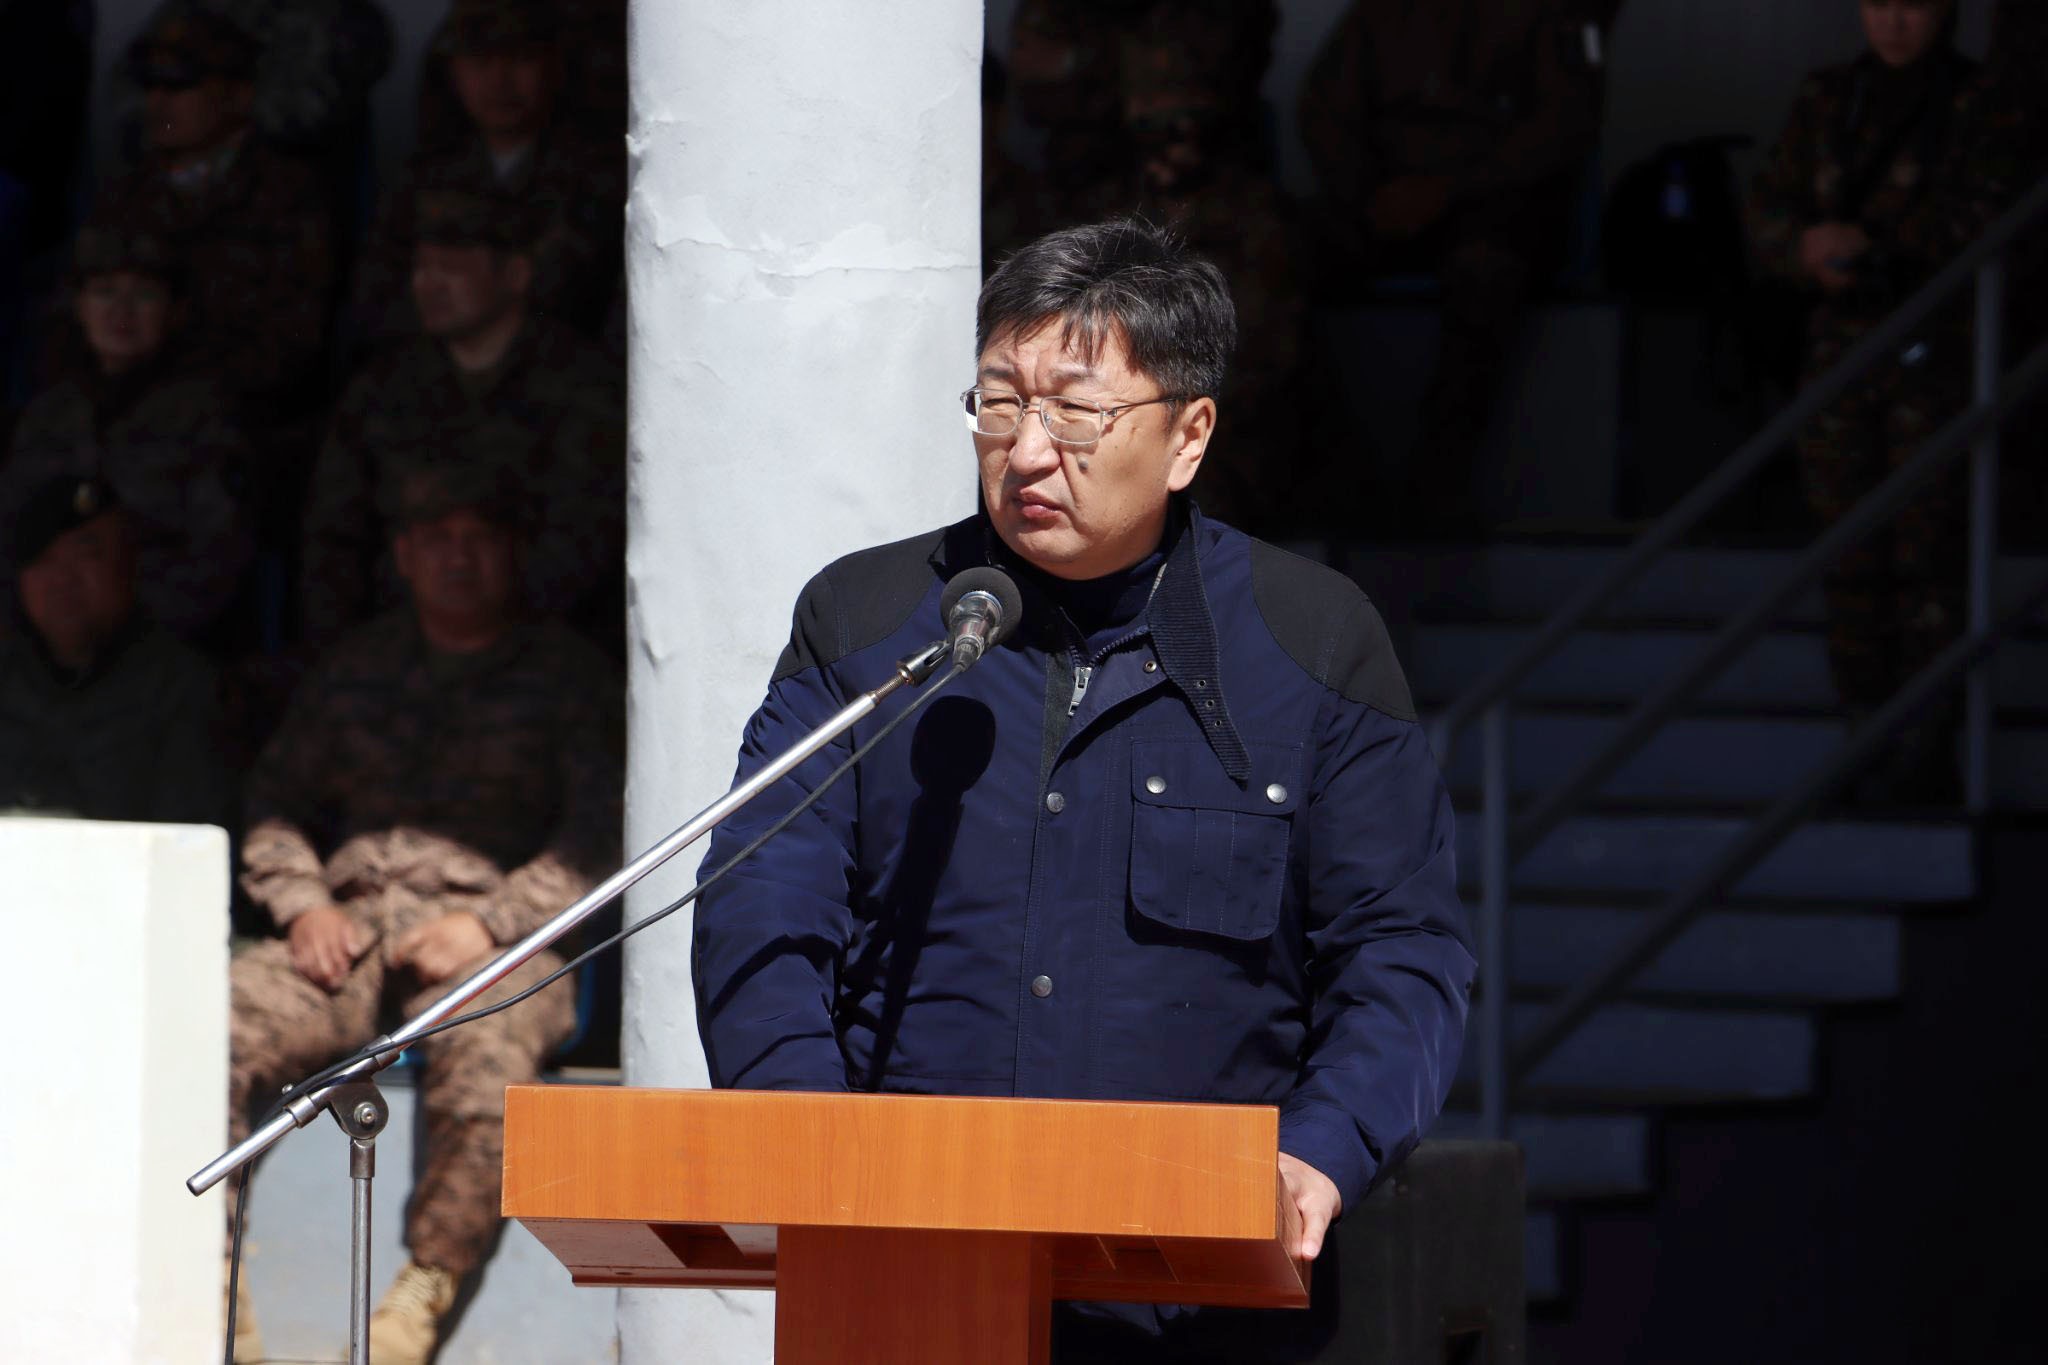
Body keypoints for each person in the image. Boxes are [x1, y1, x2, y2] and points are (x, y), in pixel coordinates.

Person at [691, 218, 1474, 1362]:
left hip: (1202, 1301)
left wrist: (1320, 1151)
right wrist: (803, 1141)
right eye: (999, 404)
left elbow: (1400, 953)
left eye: (1072, 413)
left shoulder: (1311, 646)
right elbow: (760, 902)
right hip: (903, 1285)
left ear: (1186, 435)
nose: (1023, 451)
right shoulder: (866, 627)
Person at [228, 462, 621, 1364]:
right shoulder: (358, 666)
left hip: (496, 940)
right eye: (437, 538)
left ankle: (421, 1291)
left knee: (491, 1057)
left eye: (479, 538)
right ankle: (217, 1274)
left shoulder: (567, 677)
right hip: (349, 935)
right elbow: (276, 802)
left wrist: (494, 924)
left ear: (515, 551)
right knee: (208, 1026)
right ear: (403, 555)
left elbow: (602, 831)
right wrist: (303, 905)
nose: (458, 557)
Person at [1747, 0, 2025, 801]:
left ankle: (1927, 741)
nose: (1893, 21)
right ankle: (1868, 730)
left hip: (1937, 351)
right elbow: (1769, 203)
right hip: (1840, 355)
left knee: (1929, 548)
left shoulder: (1979, 103)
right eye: (1878, 3)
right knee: (1851, 551)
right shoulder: (1831, 97)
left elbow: (1989, 216)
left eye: (1912, 4)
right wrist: (1805, 248)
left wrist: (1884, 252)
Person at [1299, 0, 1609, 534]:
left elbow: (1567, 125)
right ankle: (1323, 473)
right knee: (1280, 255)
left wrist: (1450, 190)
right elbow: (1324, 111)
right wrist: (1369, 195)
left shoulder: (1554, 14)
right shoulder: (1379, 15)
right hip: (1385, 202)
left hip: (1497, 205)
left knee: (1487, 273)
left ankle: (1437, 483)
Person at [300, 183, 624, 654]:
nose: (428, 284)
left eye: (451, 268)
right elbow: (334, 536)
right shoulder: (385, 387)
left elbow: (588, 538)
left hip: (539, 652)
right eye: (421, 267)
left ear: (515, 274)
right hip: (393, 651)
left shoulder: (581, 385)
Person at [1, 223, 252, 645]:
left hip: (156, 642)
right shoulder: (50, 413)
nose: (121, 312)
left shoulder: (208, 417)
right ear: (79, 307)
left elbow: (219, 555)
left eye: (144, 294)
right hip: (38, 640)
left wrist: (120, 632)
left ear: (176, 311)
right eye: (104, 292)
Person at [95, 2, 334, 426]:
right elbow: (67, 322)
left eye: (181, 84)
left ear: (240, 95)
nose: (158, 101)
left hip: (232, 420)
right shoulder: (124, 194)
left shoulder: (289, 197)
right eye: (150, 84)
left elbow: (296, 343)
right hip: (122, 409)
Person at [350, 0, 623, 352]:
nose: (499, 80)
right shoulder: (424, 176)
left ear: (554, 64)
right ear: (453, 71)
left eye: (521, 58)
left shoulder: (600, 177)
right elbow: (375, 300)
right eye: (480, 61)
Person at [0, 475, 233, 824]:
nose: (62, 578)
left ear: (128, 565)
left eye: (86, 555)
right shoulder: (8, 674)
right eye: (44, 559)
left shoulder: (181, 689)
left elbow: (188, 839)